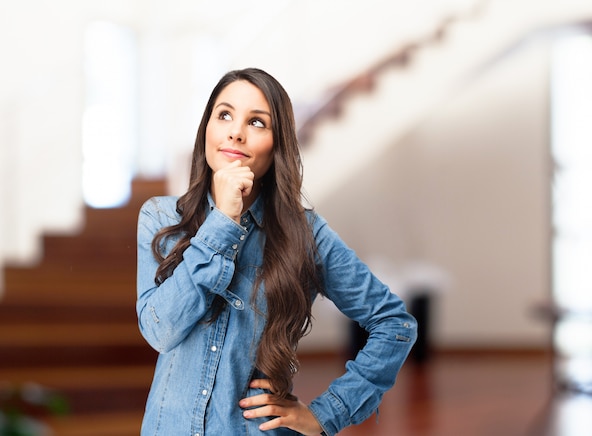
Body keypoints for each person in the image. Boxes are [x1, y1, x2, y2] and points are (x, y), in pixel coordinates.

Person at [136, 67, 417, 435]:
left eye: (257, 122)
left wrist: (326, 414)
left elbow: (394, 324)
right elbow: (161, 331)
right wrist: (222, 221)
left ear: (277, 144)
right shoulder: (160, 217)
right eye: (224, 115)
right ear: (207, 129)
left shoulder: (307, 234)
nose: (236, 131)